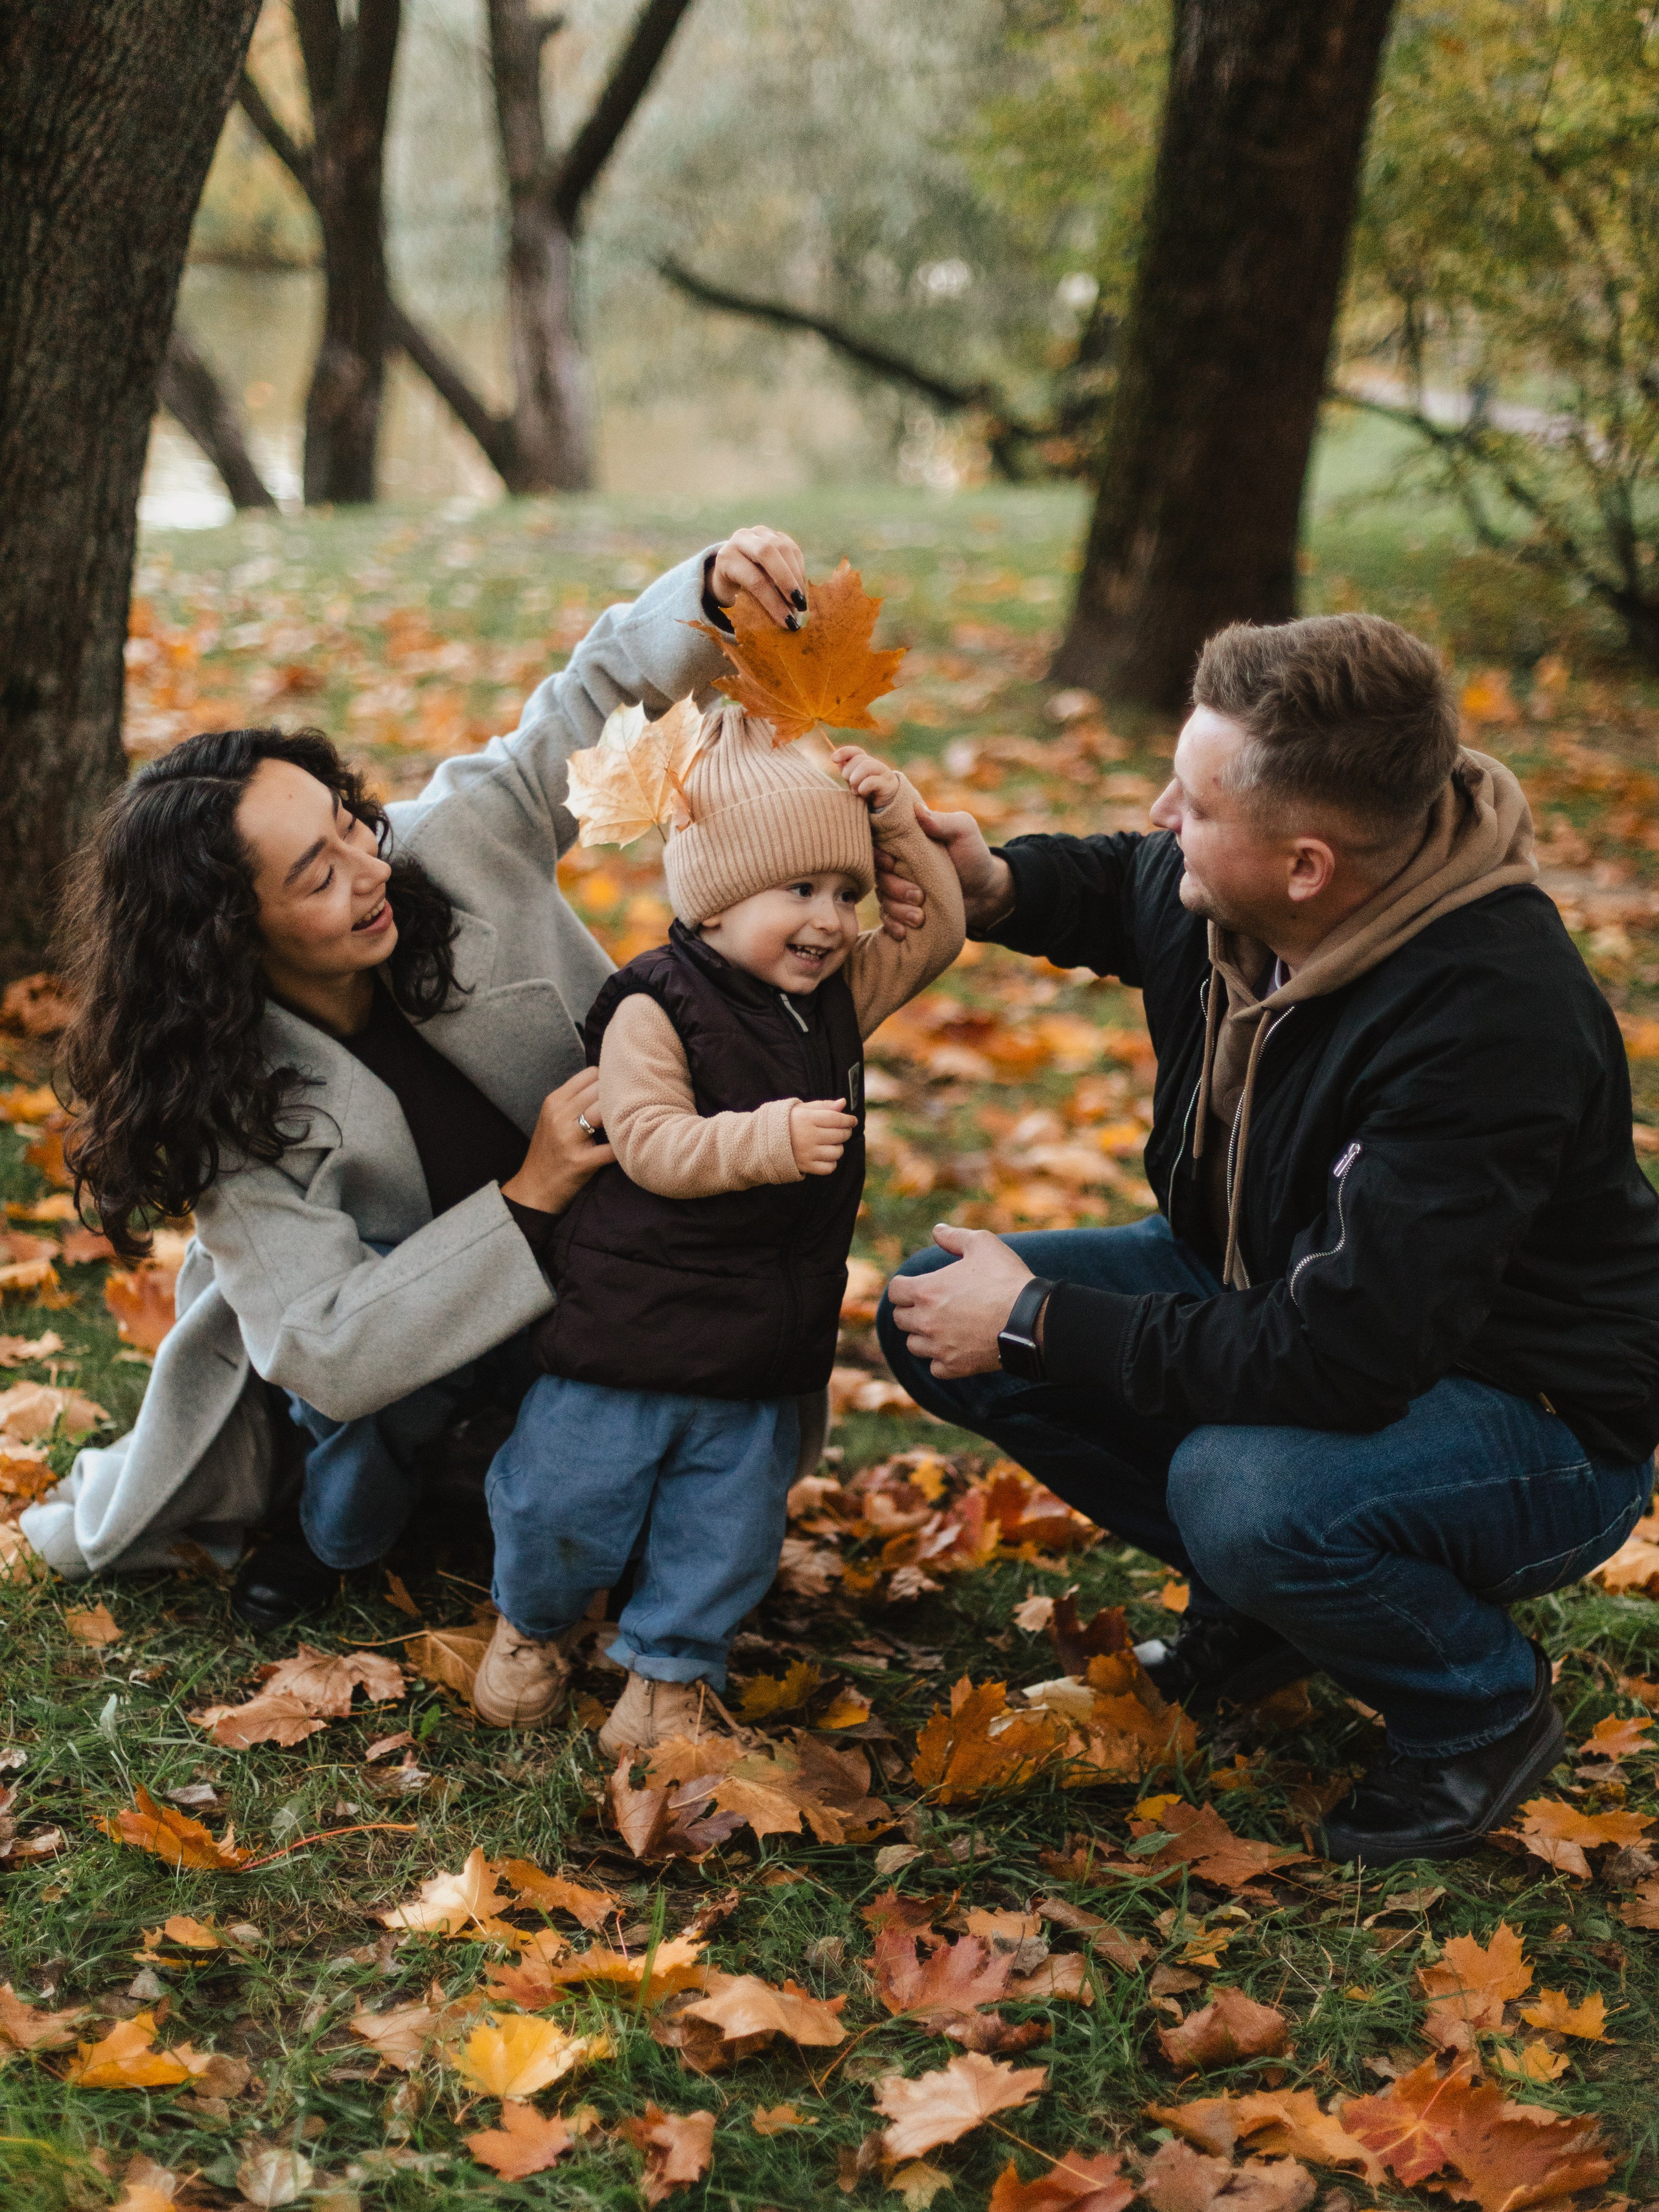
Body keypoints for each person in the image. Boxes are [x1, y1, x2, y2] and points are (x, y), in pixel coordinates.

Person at [877, 612, 1659, 1867]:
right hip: (1269, 1290)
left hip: (1529, 1416)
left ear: (1304, 867)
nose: (1159, 812)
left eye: (1191, 800)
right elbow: (1129, 885)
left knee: (1237, 1490)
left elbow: (1339, 1359)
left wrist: (1036, 1319)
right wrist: (998, 885)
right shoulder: (1244, 885)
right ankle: (1281, 1611)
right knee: (929, 1308)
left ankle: (1476, 1704)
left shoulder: (1489, 1022)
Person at [29, 528, 848, 1623]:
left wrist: (703, 594)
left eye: (347, 825)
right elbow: (322, 1340)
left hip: (626, 1268)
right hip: (406, 1351)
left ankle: (513, 1467)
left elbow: (587, 703)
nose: (371, 868)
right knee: (379, 1417)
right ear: (229, 937)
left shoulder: (442, 849)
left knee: (653, 1498)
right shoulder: (224, 1089)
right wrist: (531, 1191)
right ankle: (328, 1521)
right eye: (317, 876)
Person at [467, 704, 964, 1741]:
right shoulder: (655, 1005)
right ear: (716, 895)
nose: (830, 920)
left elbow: (939, 934)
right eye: (799, 891)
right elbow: (648, 1139)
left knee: (727, 1516)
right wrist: (768, 1140)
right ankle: (534, 1620)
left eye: (844, 892)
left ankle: (670, 1665)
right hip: (632, 1325)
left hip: (757, 1335)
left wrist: (902, 827)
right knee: (563, 1495)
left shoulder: (830, 994)